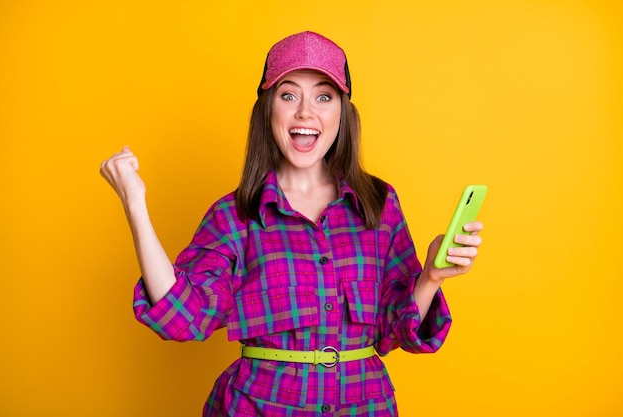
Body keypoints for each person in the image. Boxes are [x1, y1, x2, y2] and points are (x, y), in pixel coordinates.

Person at [100, 31, 483, 417]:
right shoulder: (234, 216)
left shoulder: (379, 205)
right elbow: (182, 318)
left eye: (323, 96)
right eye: (288, 95)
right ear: (268, 110)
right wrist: (135, 206)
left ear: (342, 112)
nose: (305, 113)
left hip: (364, 405)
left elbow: (397, 327)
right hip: (257, 406)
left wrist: (432, 277)